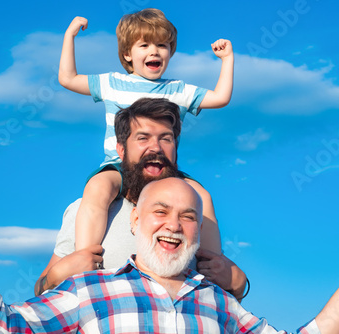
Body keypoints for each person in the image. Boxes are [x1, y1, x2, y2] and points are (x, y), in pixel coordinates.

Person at [0, 178, 339, 333]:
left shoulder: (220, 305)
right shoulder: (90, 292)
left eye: (188, 217)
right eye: (161, 211)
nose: (174, 224)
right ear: (135, 222)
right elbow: (3, 327)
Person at [58, 8, 234, 254]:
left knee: (202, 196)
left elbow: (221, 97)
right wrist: (70, 35)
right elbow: (67, 78)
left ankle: (213, 263)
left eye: (162, 45)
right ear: (127, 54)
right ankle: (86, 257)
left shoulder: (178, 90)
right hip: (118, 165)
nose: (154, 51)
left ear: (170, 52)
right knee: (97, 189)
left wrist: (227, 60)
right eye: (144, 45)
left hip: (165, 168)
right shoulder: (112, 83)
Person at [34, 98, 246, 301]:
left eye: (166, 138)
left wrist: (238, 285)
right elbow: (40, 291)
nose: (156, 148)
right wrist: (54, 279)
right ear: (121, 149)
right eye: (143, 138)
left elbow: (218, 303)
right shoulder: (85, 208)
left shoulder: (190, 217)